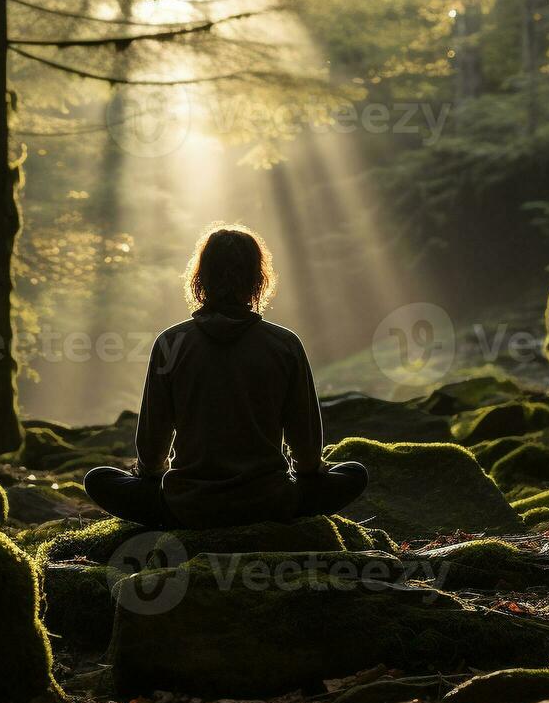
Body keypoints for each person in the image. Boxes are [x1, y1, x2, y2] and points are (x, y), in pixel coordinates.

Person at [83, 225, 367, 529]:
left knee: (98, 479)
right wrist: (306, 475)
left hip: (187, 506)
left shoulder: (171, 343)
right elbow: (308, 452)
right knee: (354, 472)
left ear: (200, 278)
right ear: (257, 280)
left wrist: (156, 479)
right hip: (270, 503)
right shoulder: (285, 345)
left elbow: (152, 451)